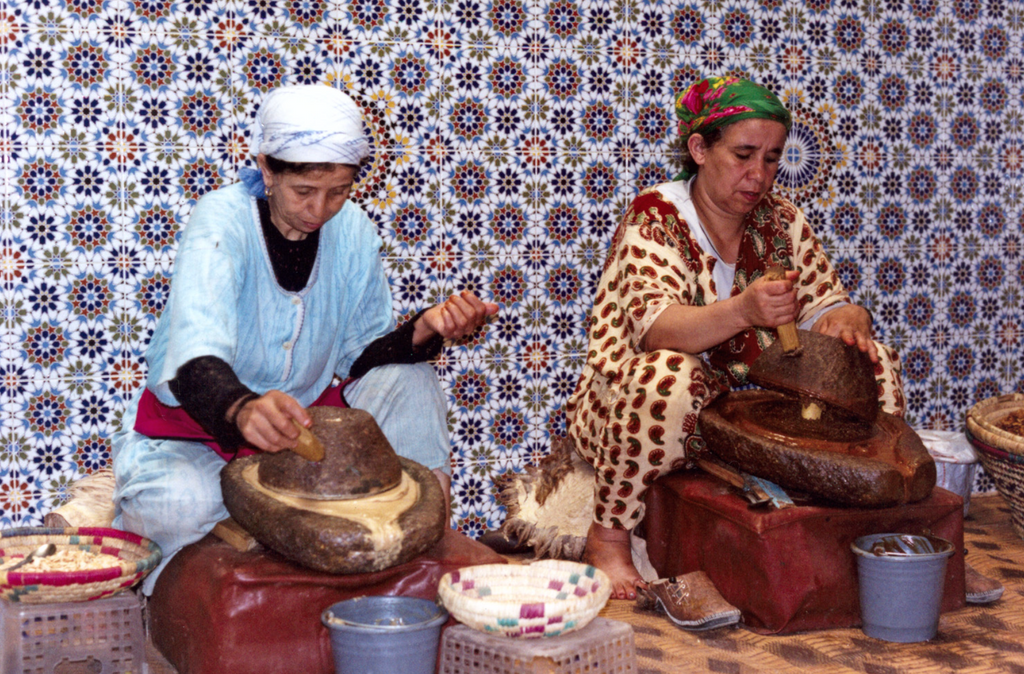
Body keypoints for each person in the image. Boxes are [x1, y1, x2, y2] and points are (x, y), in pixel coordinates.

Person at [111, 85, 498, 594]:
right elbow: (192, 353)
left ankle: (426, 552)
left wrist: (423, 329)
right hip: (198, 430)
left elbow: (361, 354)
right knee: (179, 507)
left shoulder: (354, 230)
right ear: (268, 170)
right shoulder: (221, 219)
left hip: (303, 431)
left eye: (338, 191)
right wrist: (242, 409)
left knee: (411, 379)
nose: (320, 209)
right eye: (304, 191)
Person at [564, 76, 907, 599]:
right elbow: (659, 328)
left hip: (754, 419)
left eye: (771, 158)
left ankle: (869, 526)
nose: (759, 174)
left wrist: (849, 319)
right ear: (700, 149)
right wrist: (744, 310)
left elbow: (825, 302)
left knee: (873, 362)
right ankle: (607, 538)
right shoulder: (655, 216)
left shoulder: (783, 220)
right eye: (744, 154)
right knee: (668, 376)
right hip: (643, 410)